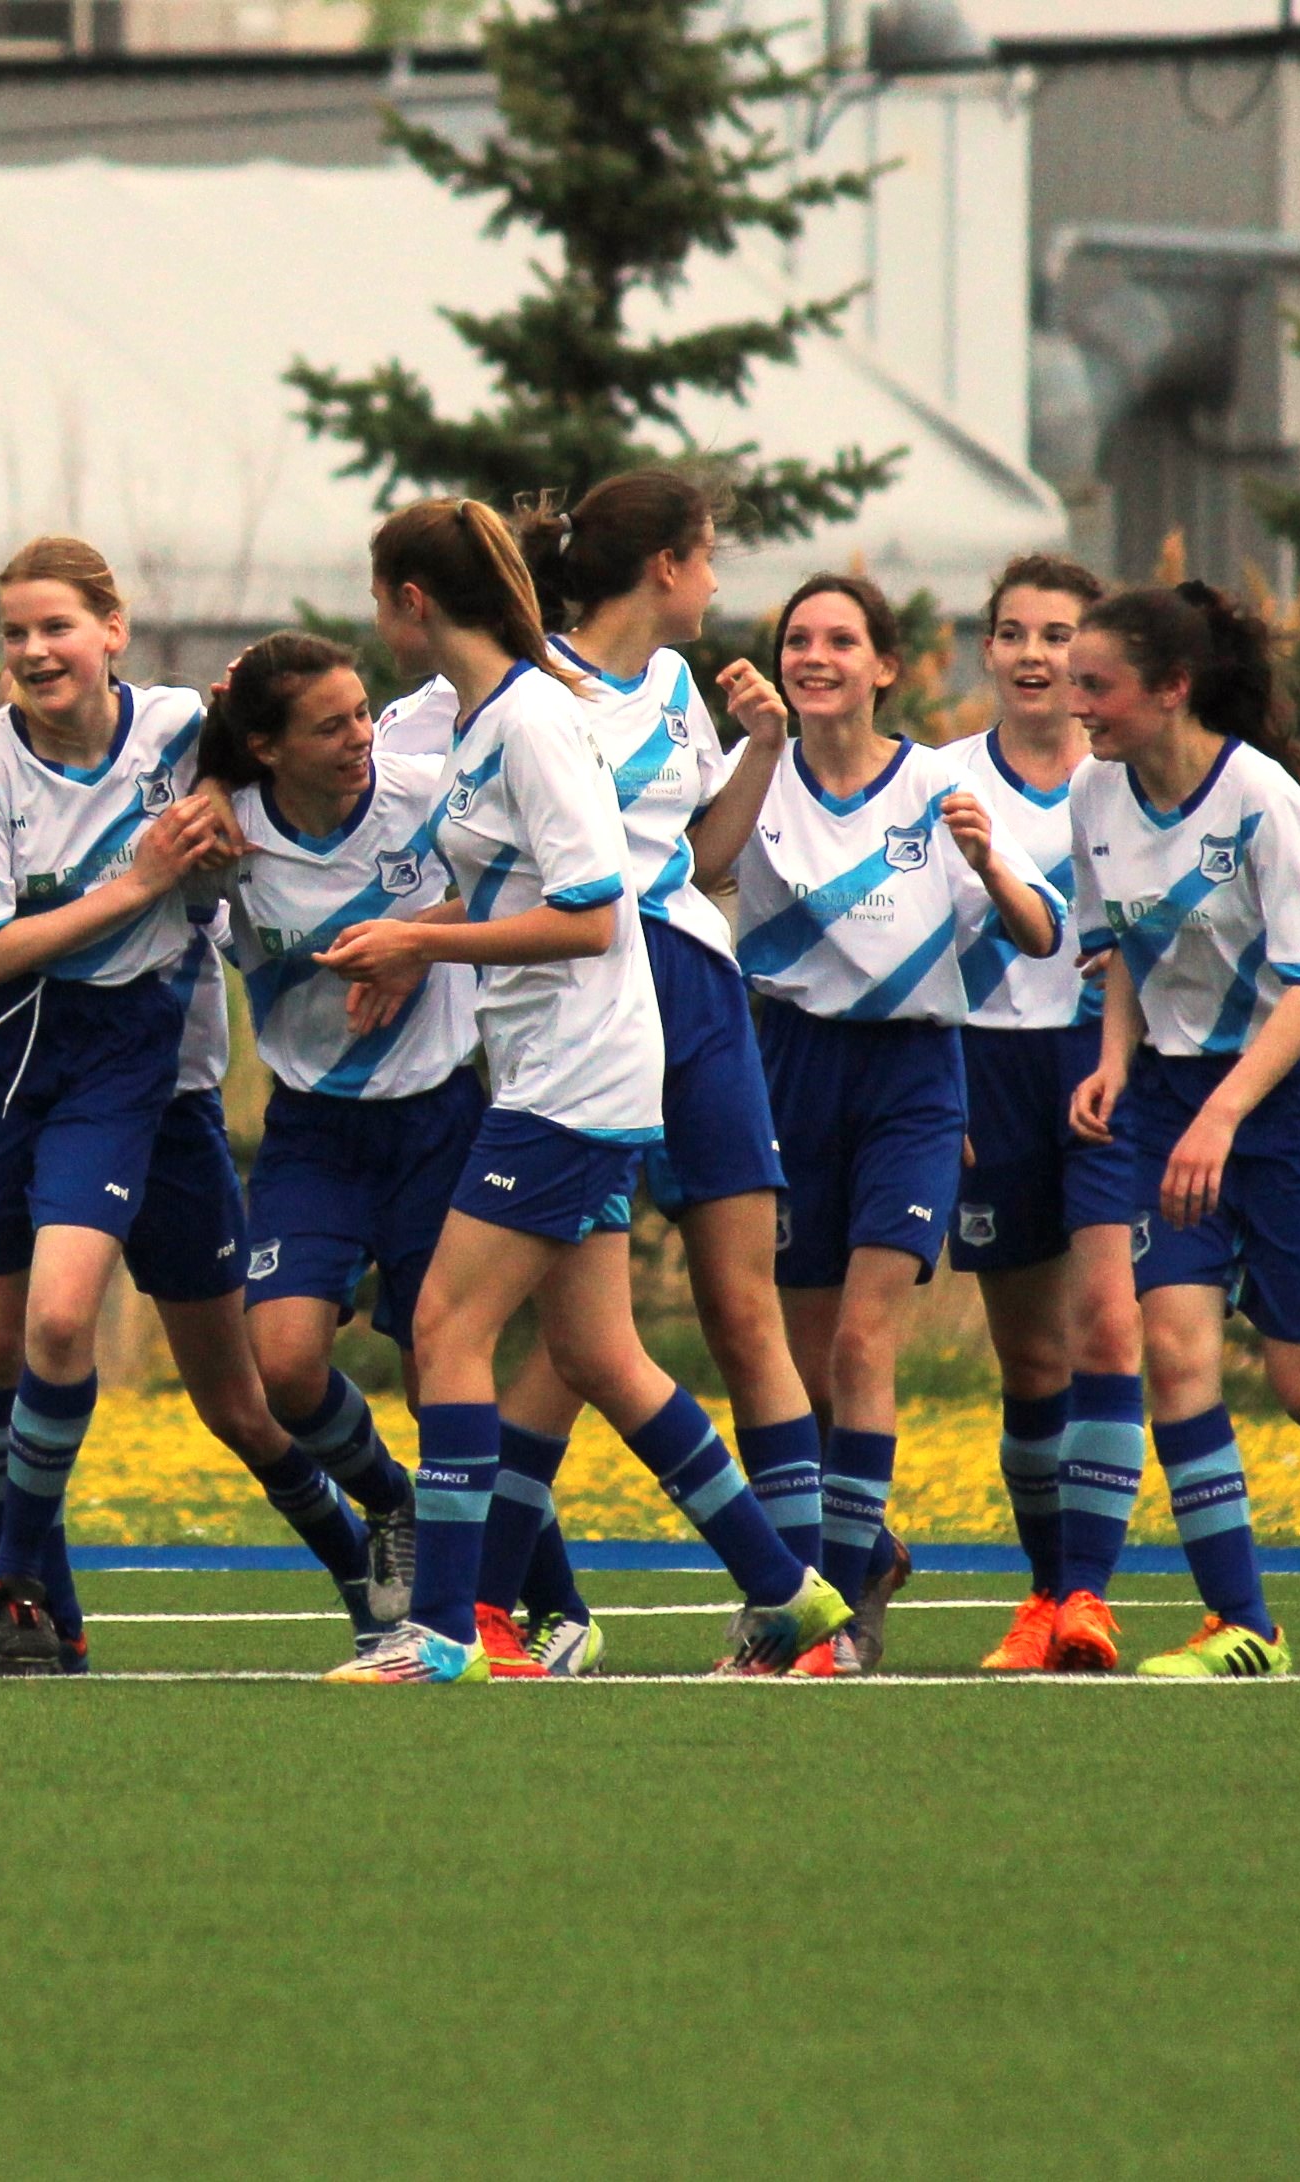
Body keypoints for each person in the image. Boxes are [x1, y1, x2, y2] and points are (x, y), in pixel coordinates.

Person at [312, 498, 850, 1685]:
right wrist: (408, 937)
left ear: (409, 601)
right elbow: (525, 891)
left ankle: (444, 1635)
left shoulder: (532, 721)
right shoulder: (493, 713)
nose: (373, 618)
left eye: (375, 596)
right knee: (601, 1351)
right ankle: (787, 1588)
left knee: (447, 1329)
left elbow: (593, 913)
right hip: (557, 1059)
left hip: (576, 1066)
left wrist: (421, 947)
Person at [0, 539, 390, 1673]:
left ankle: (372, 1546)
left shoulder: (186, 732)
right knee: (2, 1344)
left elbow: (300, 751)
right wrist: (135, 882)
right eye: (17, 631)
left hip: (140, 1063)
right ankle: (37, 1610)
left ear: (113, 631)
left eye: (58, 628)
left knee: (220, 1392)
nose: (35, 650)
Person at [454, 472, 828, 1679]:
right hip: (583, 1011)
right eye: (708, 556)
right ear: (662, 565)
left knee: (737, 1309)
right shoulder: (528, 689)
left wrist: (764, 749)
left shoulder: (675, 688)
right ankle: (497, 1608)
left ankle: (790, 1623)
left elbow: (699, 860)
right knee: (577, 1335)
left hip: (696, 997)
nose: (718, 584)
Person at [1070, 583, 1300, 1674]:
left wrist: (1223, 1117)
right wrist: (1110, 1063)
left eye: (1097, 685)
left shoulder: (1257, 799)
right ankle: (1242, 1622)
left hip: (1286, 1099)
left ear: (1170, 689)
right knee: (1176, 1354)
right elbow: (1125, 960)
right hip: (1168, 1099)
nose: (1077, 704)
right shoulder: (1095, 799)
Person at [733, 572, 1064, 1675]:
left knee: (862, 1343)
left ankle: (826, 1614)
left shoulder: (935, 783)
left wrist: (981, 859)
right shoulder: (754, 777)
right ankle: (861, 1552)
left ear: (883, 666)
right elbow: (683, 872)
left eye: (838, 640)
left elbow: (1035, 928)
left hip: (914, 1080)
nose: (813, 656)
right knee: (799, 1363)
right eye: (796, 639)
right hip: (786, 1068)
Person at [195, 630, 481, 1632]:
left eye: (362, 711)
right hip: (312, 1129)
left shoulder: (421, 793)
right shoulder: (226, 833)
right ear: (266, 747)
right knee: (283, 1366)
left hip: (436, 1117)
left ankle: (497, 1599)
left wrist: (417, 945)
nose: (360, 735)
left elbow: (510, 881)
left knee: (444, 1368)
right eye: (330, 724)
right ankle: (387, 1497)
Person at [942, 555, 1146, 1674]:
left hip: (1099, 1064)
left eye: (1058, 634)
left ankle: (1086, 1598)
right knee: (1026, 1361)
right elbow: (907, 943)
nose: (1034, 654)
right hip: (982, 1072)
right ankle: (1036, 1591)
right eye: (1013, 632)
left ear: (1091, 657)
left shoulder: (1120, 785)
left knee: (1106, 1326)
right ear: (985, 650)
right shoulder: (936, 778)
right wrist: (935, 1085)